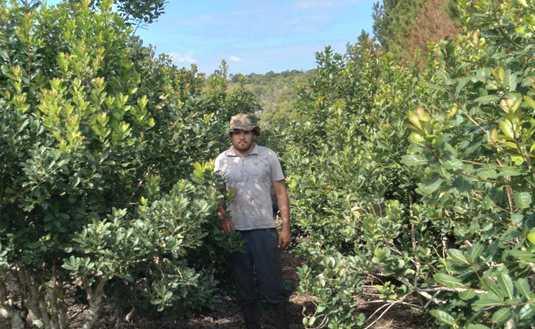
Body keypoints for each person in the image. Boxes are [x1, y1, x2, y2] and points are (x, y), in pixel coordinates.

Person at [214, 113, 291, 329]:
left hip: (264, 230)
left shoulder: (268, 156)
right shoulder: (221, 160)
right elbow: (218, 195)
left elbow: (281, 192)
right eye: (237, 132)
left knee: (272, 286)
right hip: (236, 233)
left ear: (253, 134)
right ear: (231, 135)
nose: (242, 137)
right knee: (244, 289)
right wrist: (223, 219)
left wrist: (285, 227)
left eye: (246, 132)